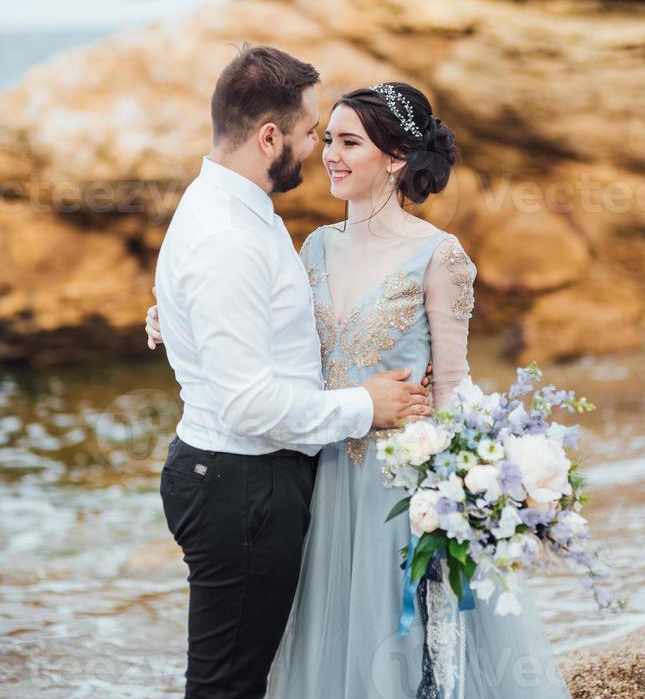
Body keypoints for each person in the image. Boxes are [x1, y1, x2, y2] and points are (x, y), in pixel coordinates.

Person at [148, 74, 572, 698]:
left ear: (396, 159)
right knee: (321, 647)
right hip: (319, 478)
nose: (329, 155)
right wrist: (173, 313)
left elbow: (452, 386)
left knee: (395, 654)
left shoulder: (440, 256)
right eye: (328, 140)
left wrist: (460, 492)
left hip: (397, 491)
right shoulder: (314, 247)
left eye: (349, 143)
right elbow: (267, 333)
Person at [148, 45, 434, 699]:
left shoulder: (229, 207)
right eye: (310, 133)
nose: (317, 148)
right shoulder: (229, 237)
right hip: (241, 483)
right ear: (268, 135)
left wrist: (176, 318)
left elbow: (242, 326)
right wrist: (366, 405)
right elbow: (250, 405)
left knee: (243, 676)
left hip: (237, 477)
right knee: (229, 685)